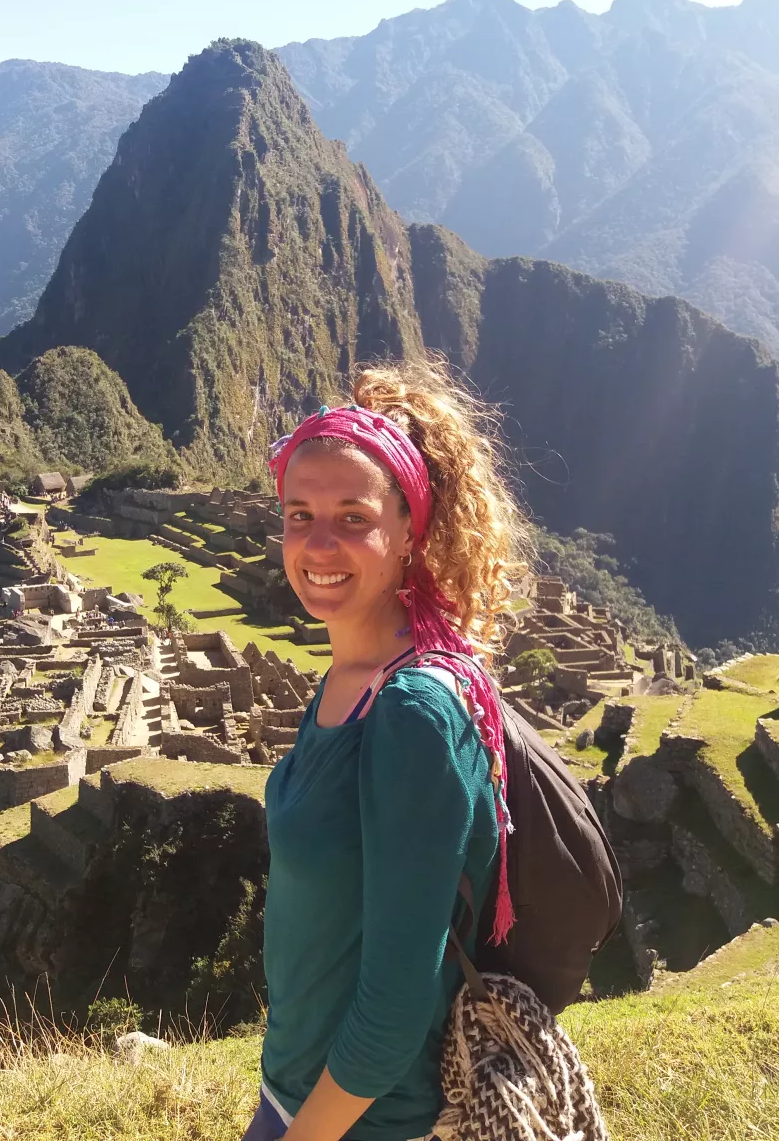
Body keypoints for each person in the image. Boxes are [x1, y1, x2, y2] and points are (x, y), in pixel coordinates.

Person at [247, 361, 529, 1141]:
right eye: (299, 515)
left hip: (365, 1121)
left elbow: (394, 1008)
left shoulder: (413, 714)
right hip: (299, 1087)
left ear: (410, 530)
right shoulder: (351, 677)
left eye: (353, 517)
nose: (319, 543)